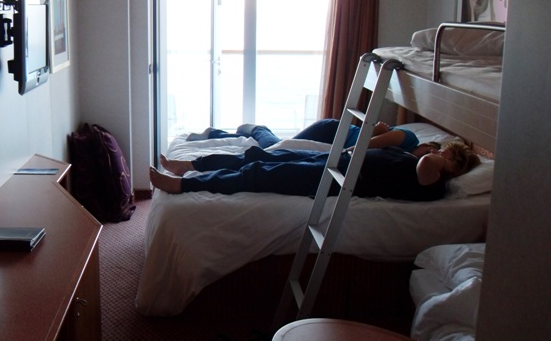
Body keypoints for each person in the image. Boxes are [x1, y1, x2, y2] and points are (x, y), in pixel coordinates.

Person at [149, 140, 480, 202]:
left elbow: (427, 165)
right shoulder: (412, 158)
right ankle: (188, 166)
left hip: (343, 180)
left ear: (454, 169)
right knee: (258, 155)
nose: (441, 154)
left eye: (450, 157)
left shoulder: (435, 183)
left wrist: (440, 158)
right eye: (444, 149)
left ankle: (184, 187)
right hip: (338, 162)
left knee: (261, 173)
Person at [186, 119, 420, 152]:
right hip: (332, 133)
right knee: (279, 147)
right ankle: (256, 128)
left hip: (334, 138)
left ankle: (216, 133)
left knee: (279, 147)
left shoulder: (405, 157)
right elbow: (361, 148)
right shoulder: (408, 139)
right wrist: (376, 130)